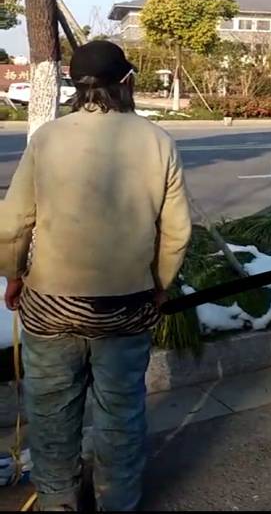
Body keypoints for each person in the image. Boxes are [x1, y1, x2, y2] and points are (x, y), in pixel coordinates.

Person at [0, 40, 192, 511]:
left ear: (72, 82)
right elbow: (176, 232)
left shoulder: (47, 138)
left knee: (51, 409)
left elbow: (13, 224)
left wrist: (14, 275)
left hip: (50, 303)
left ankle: (58, 498)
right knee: (120, 410)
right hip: (127, 304)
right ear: (127, 82)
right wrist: (160, 284)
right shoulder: (157, 141)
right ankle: (117, 499)